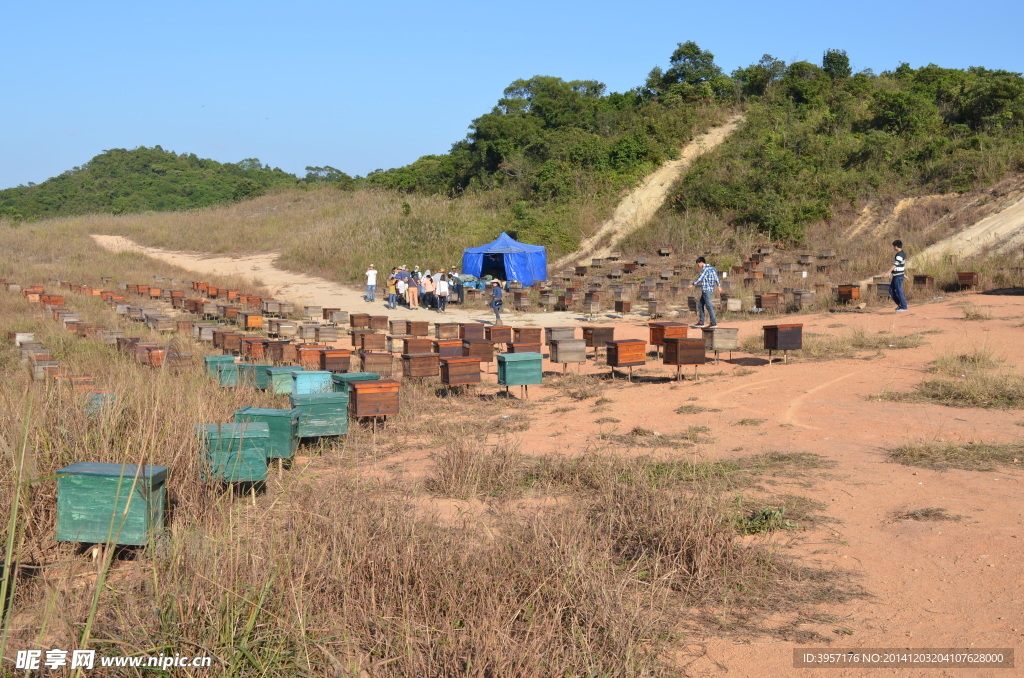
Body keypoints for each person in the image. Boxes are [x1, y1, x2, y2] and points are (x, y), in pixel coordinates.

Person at [687, 256, 722, 328]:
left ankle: (713, 323)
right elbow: (716, 278)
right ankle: (701, 322)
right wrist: (719, 286)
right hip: (709, 290)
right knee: (700, 305)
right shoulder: (713, 268)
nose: (698, 266)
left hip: (706, 290)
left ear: (700, 263)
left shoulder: (704, 269)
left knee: (709, 306)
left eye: (698, 264)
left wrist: (692, 284)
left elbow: (700, 278)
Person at [889, 239, 908, 312]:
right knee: (891, 290)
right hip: (898, 275)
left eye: (893, 246)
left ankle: (903, 306)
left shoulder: (899, 255)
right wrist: (904, 274)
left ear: (896, 246)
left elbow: (896, 265)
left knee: (899, 291)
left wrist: (887, 273)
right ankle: (901, 305)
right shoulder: (901, 253)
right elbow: (902, 265)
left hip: (898, 276)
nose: (893, 248)